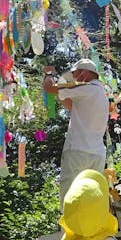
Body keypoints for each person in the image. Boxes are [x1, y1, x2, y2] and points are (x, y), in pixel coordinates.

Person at [43, 58, 109, 203]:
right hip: (97, 154)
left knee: (69, 197)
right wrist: (61, 93)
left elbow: (49, 88)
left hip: (78, 152)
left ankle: (67, 226)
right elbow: (71, 105)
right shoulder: (101, 94)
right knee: (91, 199)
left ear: (85, 73)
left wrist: (49, 74)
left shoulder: (86, 88)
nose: (74, 78)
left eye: (75, 74)